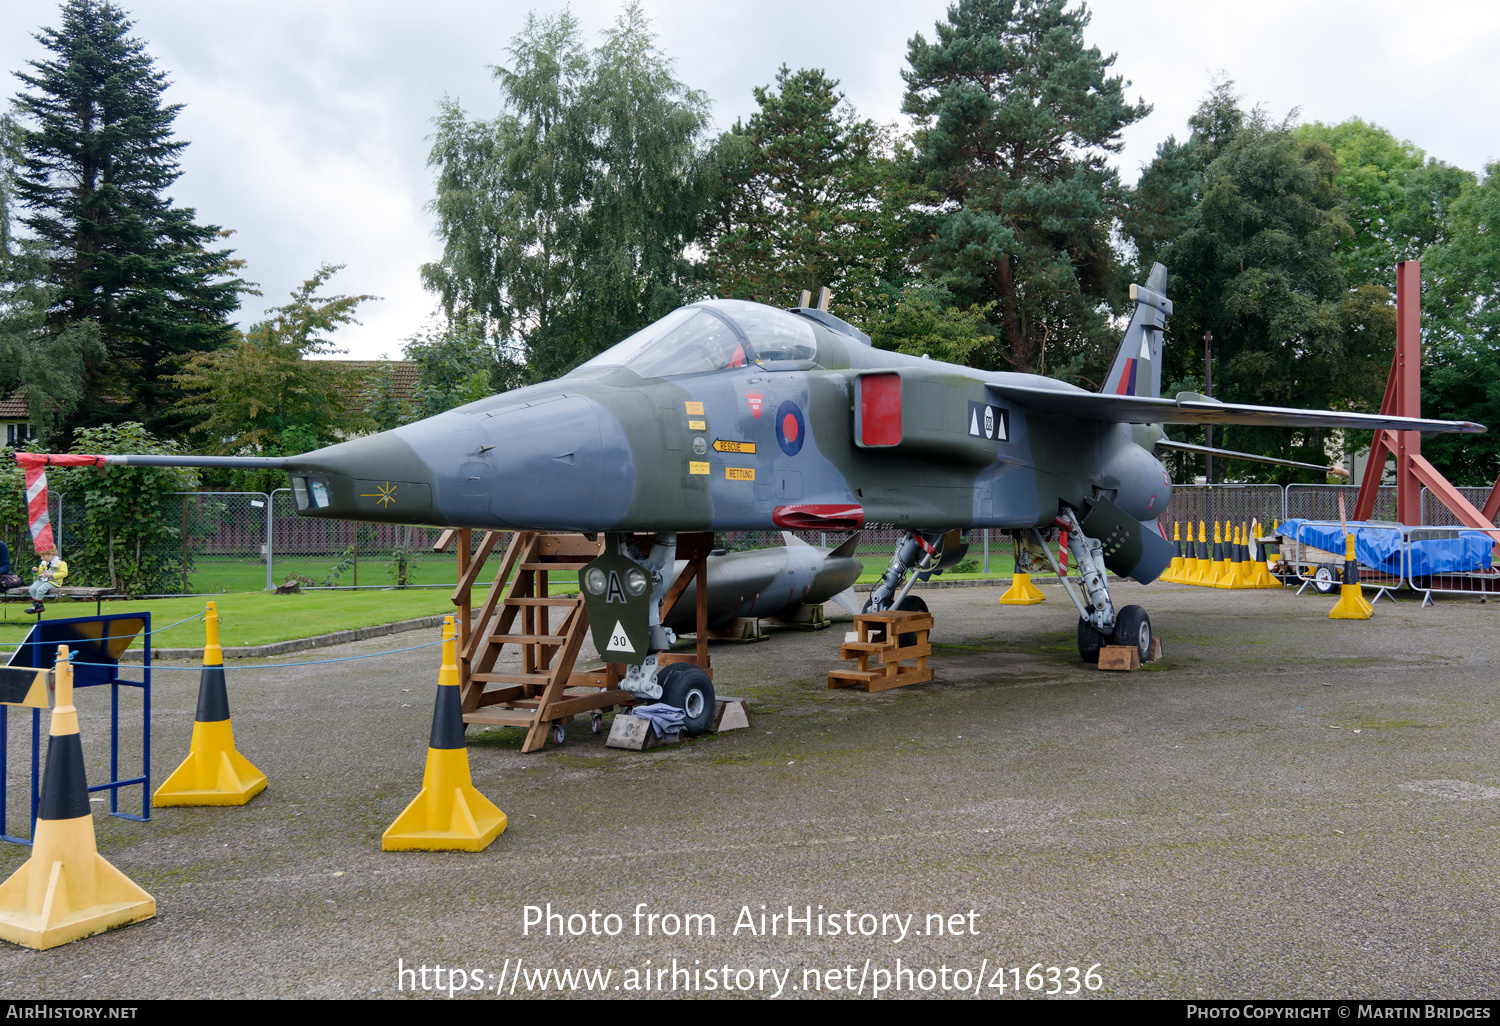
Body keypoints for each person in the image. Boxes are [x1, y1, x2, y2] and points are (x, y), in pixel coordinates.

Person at [24, 549, 67, 615]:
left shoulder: (61, 563)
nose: (41, 558)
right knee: (32, 589)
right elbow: (41, 572)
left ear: (51, 554)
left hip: (54, 581)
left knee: (40, 590)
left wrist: (52, 575)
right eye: (41, 556)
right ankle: (39, 606)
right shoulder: (43, 562)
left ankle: (34, 606)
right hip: (43, 580)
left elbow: (64, 573)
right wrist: (36, 571)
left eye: (43, 556)